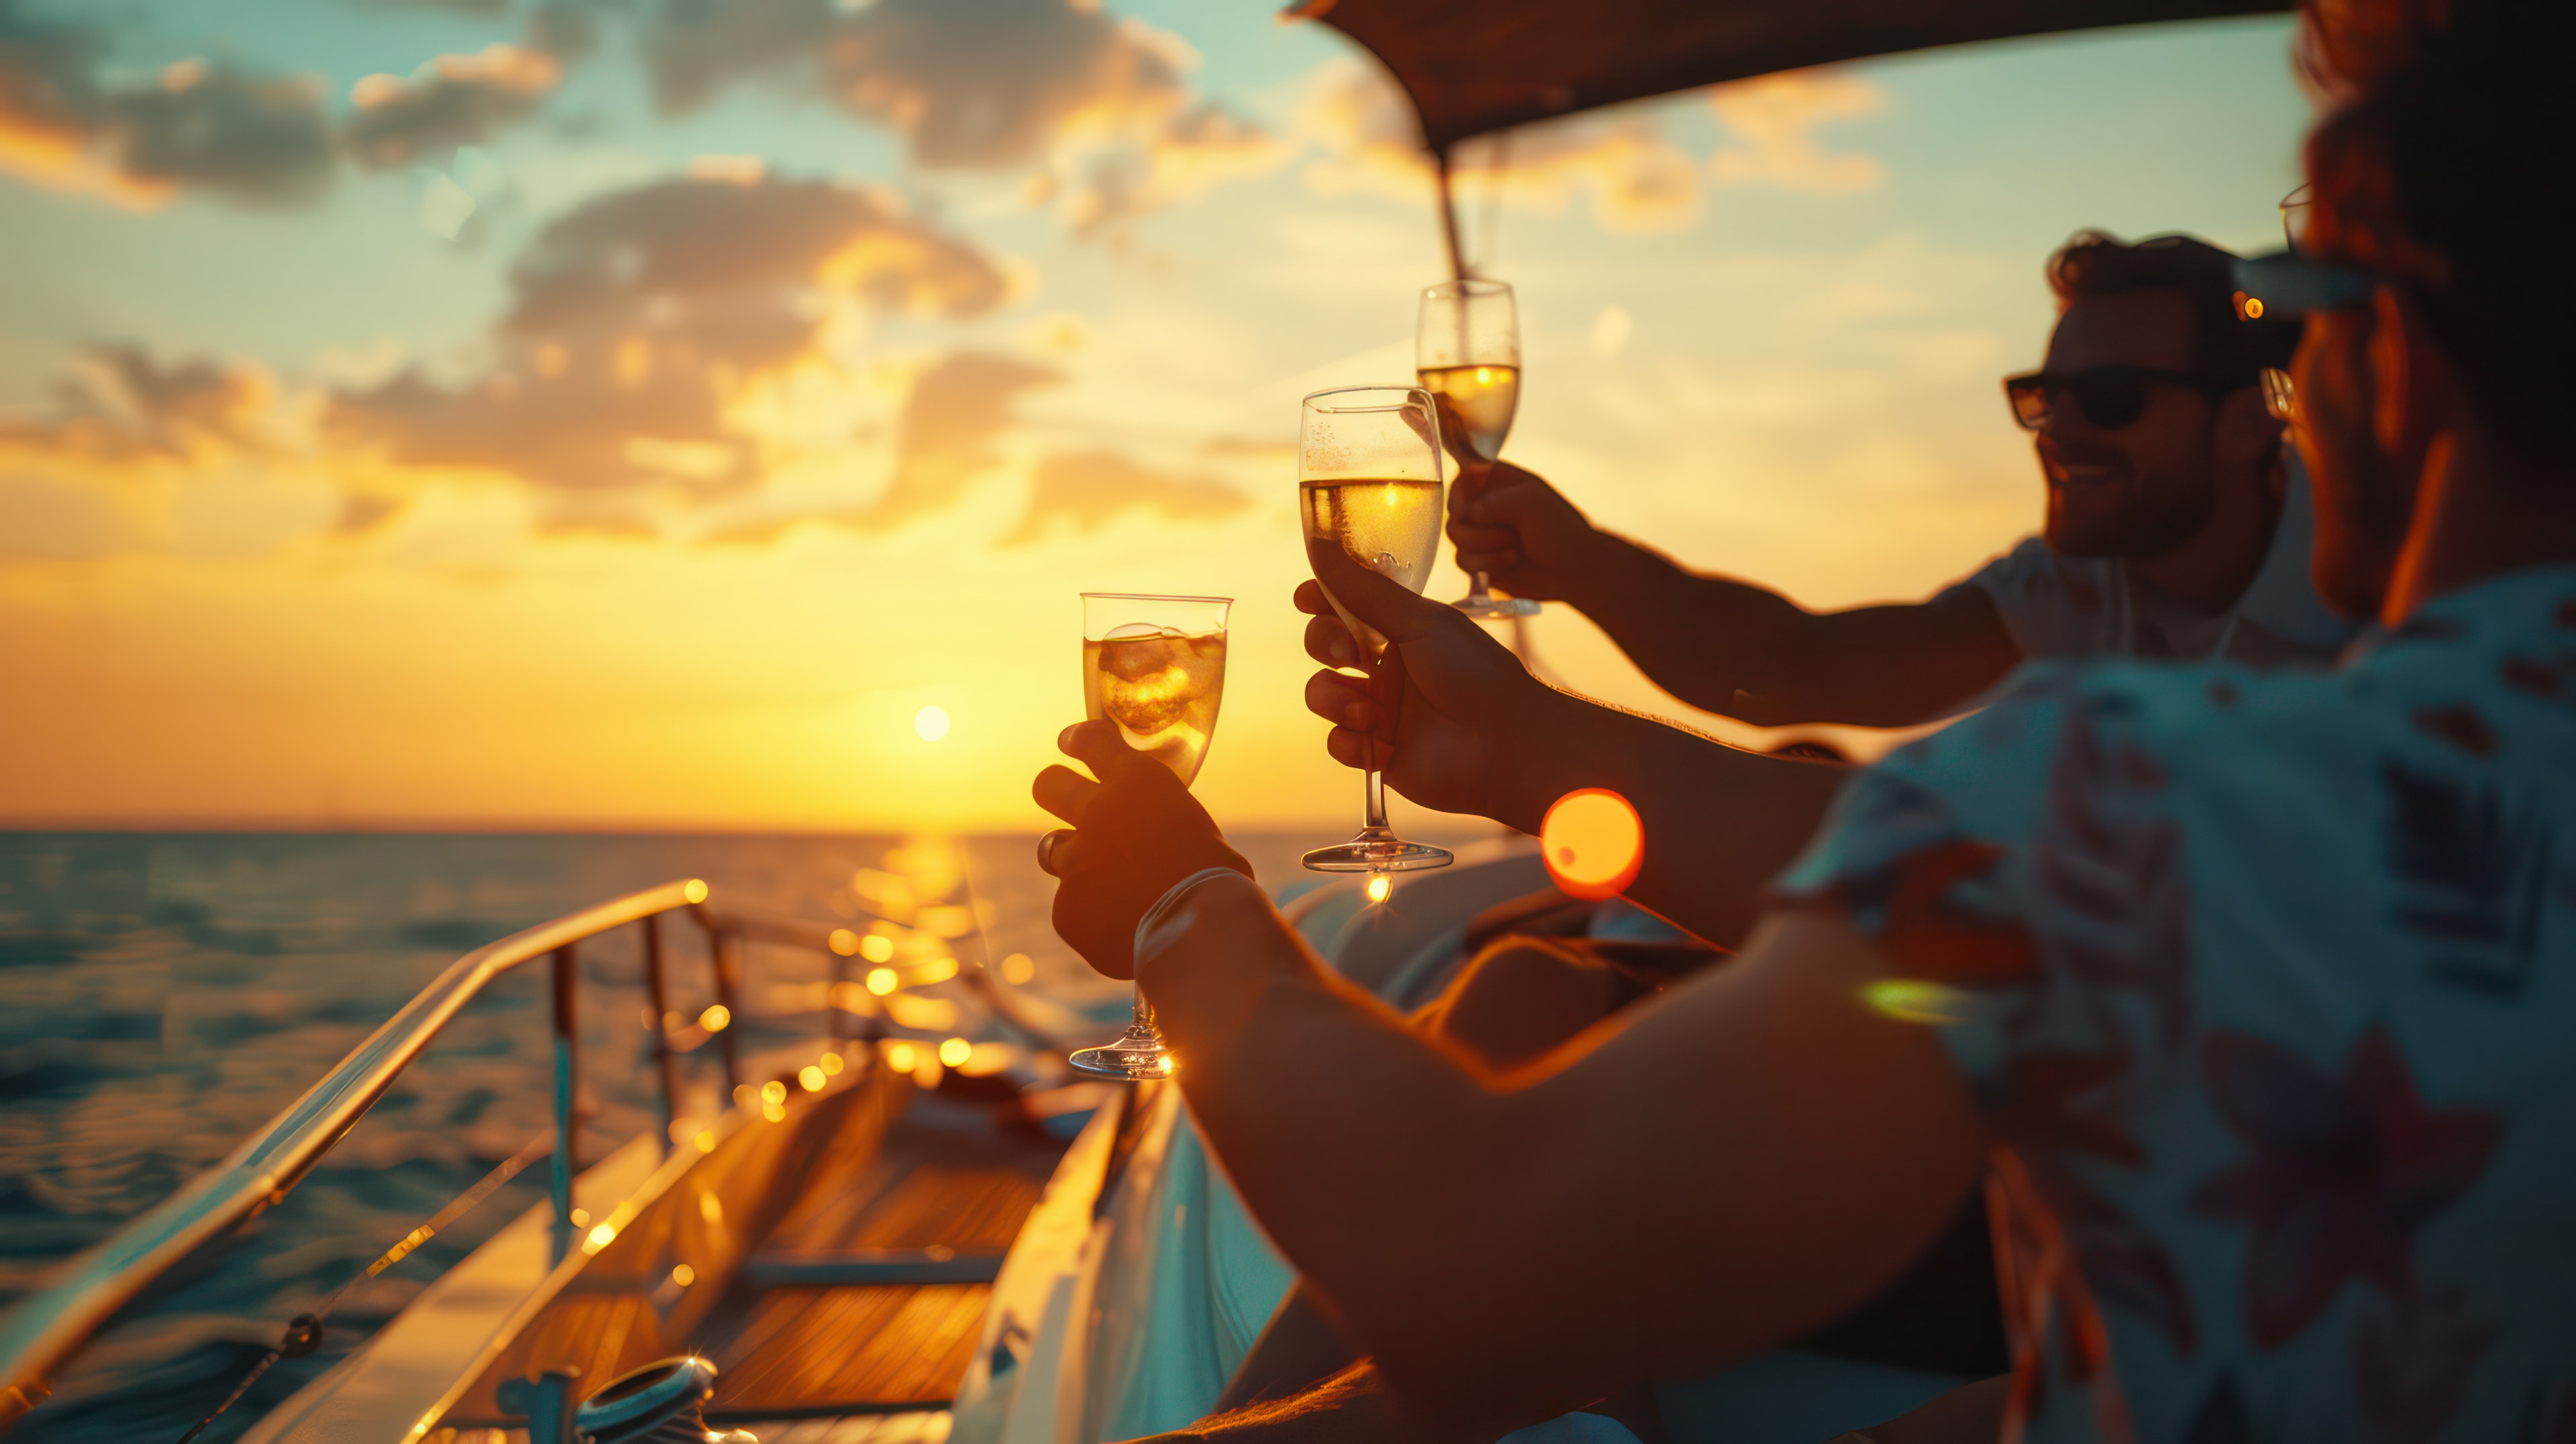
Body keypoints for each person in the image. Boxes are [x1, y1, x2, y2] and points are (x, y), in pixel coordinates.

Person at [1032, 0, 2576, 1435]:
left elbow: (1473, 1267)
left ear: (2400, 347)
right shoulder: (2173, 757)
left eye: (2303, 304)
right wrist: (1532, 749)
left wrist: (1190, 908)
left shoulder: (2150, 792)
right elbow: (1835, 699)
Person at [1428, 233, 2357, 733]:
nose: (2060, 432)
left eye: (2109, 399)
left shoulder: (2381, 589)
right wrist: (1588, 567)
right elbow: (1798, 670)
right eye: (2044, 397)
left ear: (2246, 424)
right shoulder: (2084, 583)